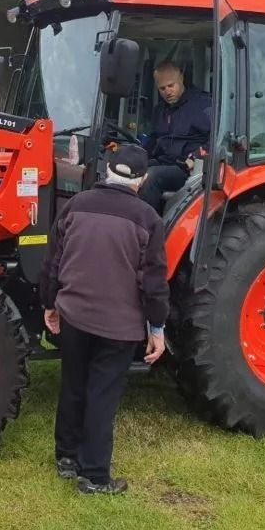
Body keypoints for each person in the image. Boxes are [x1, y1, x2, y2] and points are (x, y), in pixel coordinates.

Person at [39, 143, 170, 495]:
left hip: (75, 317)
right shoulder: (149, 220)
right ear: (142, 181)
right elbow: (154, 284)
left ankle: (66, 457)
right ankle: (94, 476)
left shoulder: (75, 206)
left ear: (106, 170)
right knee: (101, 395)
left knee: (73, 384)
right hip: (118, 328)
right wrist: (156, 329)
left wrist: (50, 305)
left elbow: (53, 262)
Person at [138, 62, 212, 212]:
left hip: (189, 169)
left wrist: (198, 156)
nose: (167, 92)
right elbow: (152, 140)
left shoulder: (204, 105)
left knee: (151, 176)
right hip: (165, 162)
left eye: (171, 86)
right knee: (132, 171)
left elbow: (219, 137)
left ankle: (145, 229)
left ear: (181, 79)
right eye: (162, 88)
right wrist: (134, 156)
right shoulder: (161, 111)